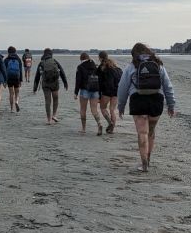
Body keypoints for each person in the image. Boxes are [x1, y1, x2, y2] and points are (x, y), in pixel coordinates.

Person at [117, 43, 176, 172]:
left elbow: (122, 88)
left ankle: (144, 164)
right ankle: (148, 160)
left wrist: (121, 106)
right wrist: (171, 105)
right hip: (156, 100)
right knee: (151, 132)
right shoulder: (159, 66)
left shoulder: (131, 67)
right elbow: (168, 86)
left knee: (142, 133)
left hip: (138, 100)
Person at [33, 48, 68, 125]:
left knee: (47, 101)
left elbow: (37, 76)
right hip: (55, 83)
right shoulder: (54, 61)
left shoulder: (41, 62)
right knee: (55, 98)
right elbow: (62, 72)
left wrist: (35, 88)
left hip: (45, 84)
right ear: (51, 54)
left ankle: (49, 119)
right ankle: (54, 115)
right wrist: (65, 83)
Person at [74, 52, 103, 135]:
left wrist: (76, 92)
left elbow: (78, 80)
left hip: (84, 90)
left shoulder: (80, 67)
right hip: (95, 90)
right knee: (94, 110)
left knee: (83, 109)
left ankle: (83, 129)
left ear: (81, 59)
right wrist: (100, 93)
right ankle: (99, 123)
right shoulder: (95, 66)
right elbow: (100, 80)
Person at [96, 50, 122, 133]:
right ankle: (111, 129)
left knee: (103, 108)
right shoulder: (117, 68)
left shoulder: (102, 68)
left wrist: (99, 95)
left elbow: (99, 82)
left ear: (100, 58)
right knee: (112, 110)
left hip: (107, 91)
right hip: (116, 91)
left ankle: (110, 122)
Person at [4, 46, 23, 112]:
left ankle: (12, 108)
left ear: (8, 52)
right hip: (17, 77)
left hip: (9, 78)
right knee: (17, 93)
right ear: (15, 51)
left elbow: (4, 71)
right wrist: (20, 80)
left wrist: (5, 81)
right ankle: (16, 102)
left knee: (11, 93)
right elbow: (20, 70)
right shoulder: (18, 59)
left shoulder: (6, 60)